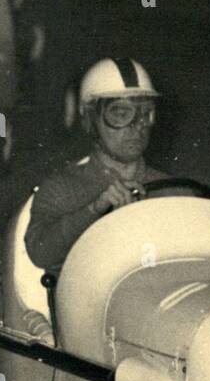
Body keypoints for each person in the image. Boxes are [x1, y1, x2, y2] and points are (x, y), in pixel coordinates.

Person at [24, 57, 169, 277]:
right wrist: (95, 209)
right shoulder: (61, 189)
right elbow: (41, 253)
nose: (136, 127)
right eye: (120, 114)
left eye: (145, 114)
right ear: (91, 120)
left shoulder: (172, 191)